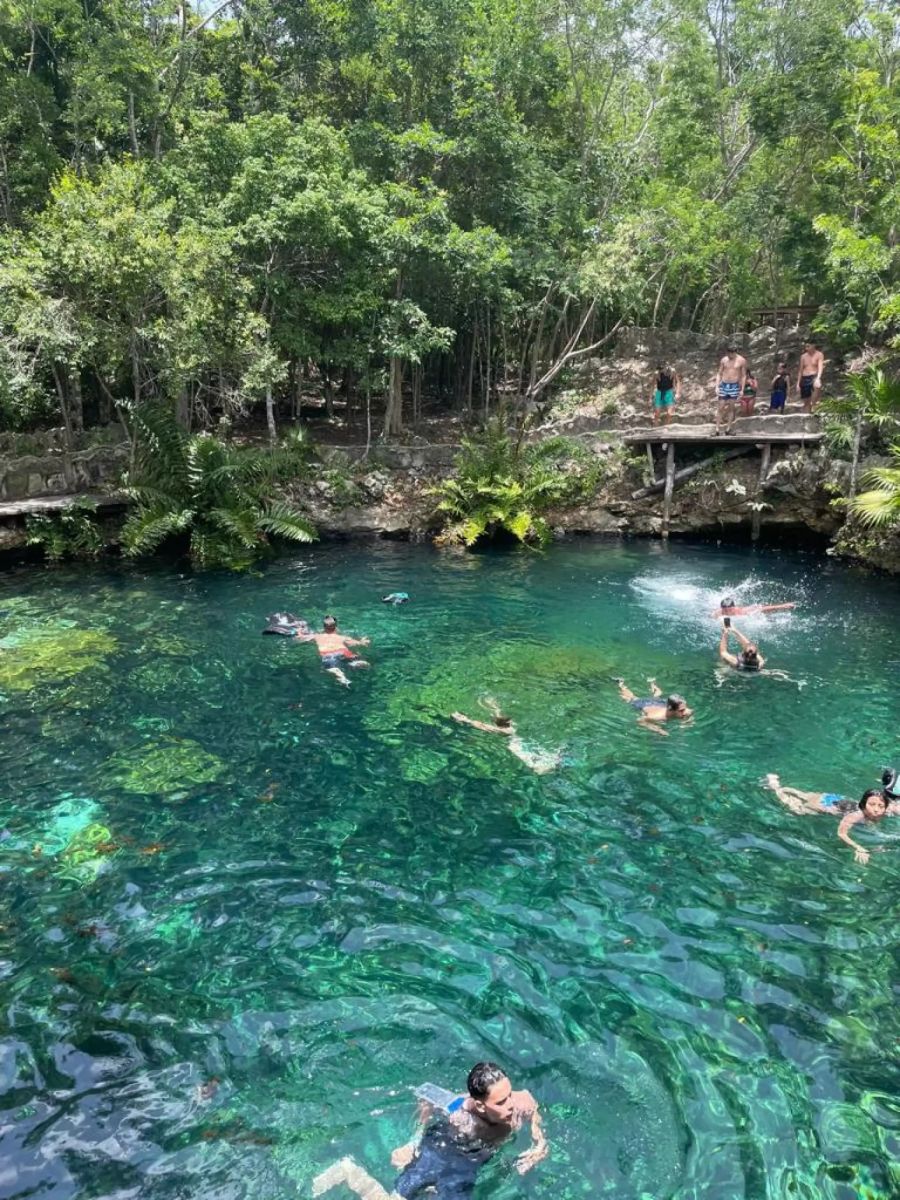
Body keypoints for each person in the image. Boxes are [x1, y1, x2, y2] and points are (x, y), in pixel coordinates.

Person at [391, 1061, 548, 1196]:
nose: (511, 1105)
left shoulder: (522, 1102)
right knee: (406, 1188)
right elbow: (426, 1095)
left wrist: (538, 1145)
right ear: (480, 1105)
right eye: (501, 1102)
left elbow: (534, 1110)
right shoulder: (458, 1106)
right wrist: (412, 1142)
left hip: (473, 1159)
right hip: (443, 1145)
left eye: (509, 1095)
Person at [452, 698, 562, 773]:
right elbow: (489, 726)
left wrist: (465, 720)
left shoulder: (508, 732)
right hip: (524, 746)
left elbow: (485, 726)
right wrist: (496, 708)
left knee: (540, 768)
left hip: (520, 746)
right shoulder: (510, 730)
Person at [614, 677, 692, 736]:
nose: (686, 711)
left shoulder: (684, 710)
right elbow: (640, 721)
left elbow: (690, 715)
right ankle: (621, 684)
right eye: (681, 710)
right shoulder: (656, 717)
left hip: (660, 704)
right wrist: (658, 730)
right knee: (632, 698)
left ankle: (653, 683)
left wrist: (686, 722)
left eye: (684, 708)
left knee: (656, 697)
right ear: (670, 709)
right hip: (645, 704)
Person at [305, 615, 370, 687]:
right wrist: (362, 641)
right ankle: (355, 664)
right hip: (344, 652)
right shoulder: (342, 637)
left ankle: (342, 677)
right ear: (336, 627)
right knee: (363, 664)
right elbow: (358, 644)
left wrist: (299, 633)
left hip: (328, 655)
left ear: (324, 627)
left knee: (333, 669)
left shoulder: (317, 636)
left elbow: (300, 638)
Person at [714, 343, 747, 434]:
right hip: (724, 385)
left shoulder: (741, 360)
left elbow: (744, 375)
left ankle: (728, 428)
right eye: (729, 353)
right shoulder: (724, 360)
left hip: (734, 385)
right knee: (721, 407)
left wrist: (742, 389)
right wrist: (717, 386)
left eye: (732, 353)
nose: (730, 355)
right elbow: (719, 373)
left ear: (735, 352)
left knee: (731, 408)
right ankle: (717, 429)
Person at [796, 341, 825, 411]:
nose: (806, 348)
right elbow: (800, 370)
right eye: (806, 347)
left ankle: (814, 404)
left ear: (813, 346)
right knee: (806, 400)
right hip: (805, 377)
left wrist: (818, 378)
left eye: (808, 346)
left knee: (817, 386)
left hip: (814, 375)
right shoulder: (803, 356)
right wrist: (798, 383)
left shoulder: (819, 354)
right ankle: (807, 410)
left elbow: (820, 367)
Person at [650, 363, 680, 427]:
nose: (661, 371)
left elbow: (678, 382)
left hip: (669, 392)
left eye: (662, 369)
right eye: (660, 370)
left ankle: (667, 426)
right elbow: (652, 385)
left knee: (669, 413)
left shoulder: (672, 371)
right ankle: (655, 425)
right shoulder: (657, 373)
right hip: (659, 393)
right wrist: (650, 396)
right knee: (657, 413)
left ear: (666, 368)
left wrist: (677, 393)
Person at [711, 597, 796, 618]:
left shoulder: (740, 612)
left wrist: (782, 606)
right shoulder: (718, 613)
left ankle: (784, 605)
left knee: (758, 610)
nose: (727, 612)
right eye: (725, 610)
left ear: (733, 608)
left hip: (745, 610)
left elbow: (762, 609)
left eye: (729, 610)